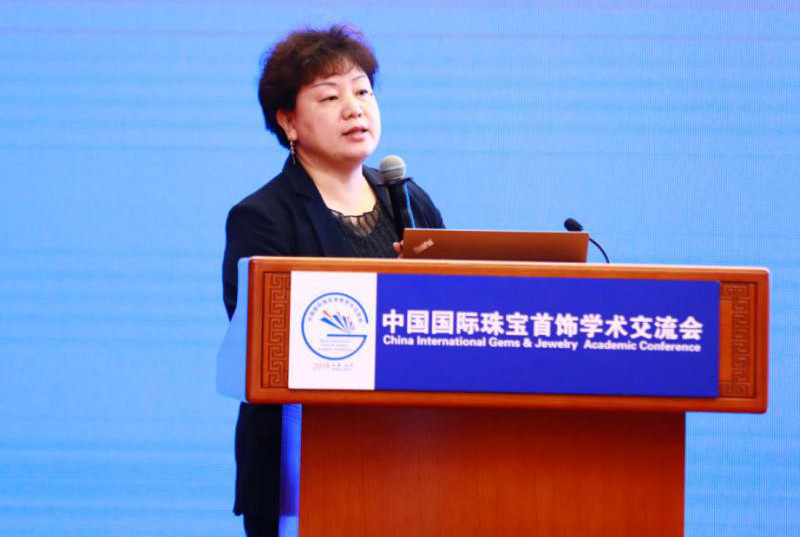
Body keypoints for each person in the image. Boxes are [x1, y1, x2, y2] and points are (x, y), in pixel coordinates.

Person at [221, 24, 445, 536]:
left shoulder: (409, 200)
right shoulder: (262, 217)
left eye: (363, 92)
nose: (354, 108)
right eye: (329, 97)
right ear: (288, 121)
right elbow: (267, 343)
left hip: (415, 452)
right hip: (304, 464)